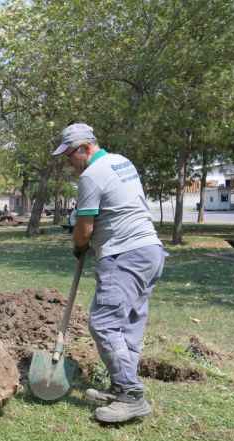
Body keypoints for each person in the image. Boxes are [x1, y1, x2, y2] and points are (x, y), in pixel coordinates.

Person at [52, 123, 167, 423]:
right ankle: (120, 387)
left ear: (84, 148)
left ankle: (131, 395)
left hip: (124, 254)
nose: (68, 163)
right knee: (128, 323)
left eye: (69, 155)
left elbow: (84, 228)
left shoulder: (92, 175)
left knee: (103, 322)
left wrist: (79, 246)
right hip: (150, 251)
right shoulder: (122, 161)